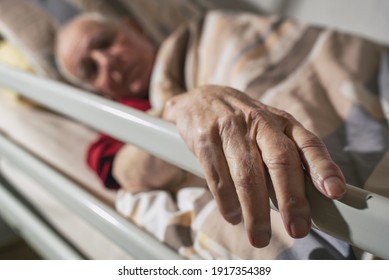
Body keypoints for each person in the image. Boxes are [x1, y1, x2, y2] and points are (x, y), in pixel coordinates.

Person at [55, 11, 351, 249]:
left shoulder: (207, 36)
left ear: (134, 27)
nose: (108, 62)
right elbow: (128, 173)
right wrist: (181, 109)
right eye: (90, 69)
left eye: (105, 42)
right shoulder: (114, 126)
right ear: (95, 89)